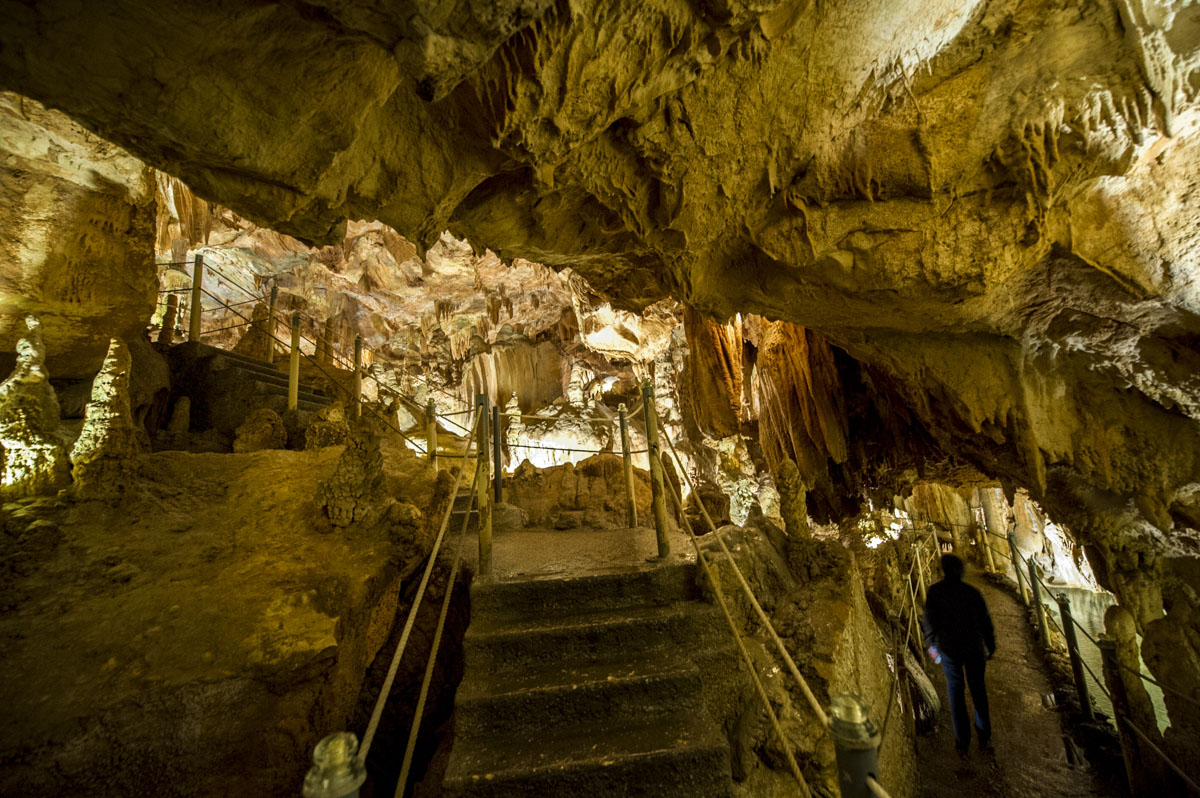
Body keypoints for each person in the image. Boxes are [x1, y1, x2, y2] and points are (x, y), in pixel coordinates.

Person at [922, 553, 996, 755]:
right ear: (961, 571)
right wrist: (991, 646)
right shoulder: (971, 593)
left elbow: (929, 621)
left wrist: (932, 645)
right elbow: (985, 622)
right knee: (978, 691)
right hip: (973, 648)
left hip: (949, 649)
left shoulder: (936, 592)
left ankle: (962, 741)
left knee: (956, 693)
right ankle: (984, 735)